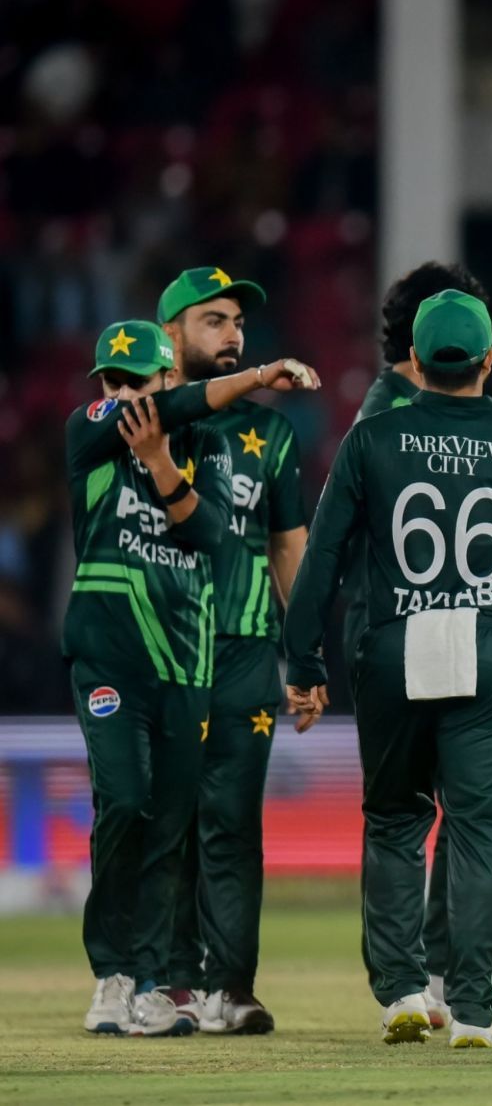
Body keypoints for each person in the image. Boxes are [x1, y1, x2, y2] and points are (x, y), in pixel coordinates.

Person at [281, 290, 492, 1048]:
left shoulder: (372, 439)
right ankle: (477, 1011)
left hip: (395, 642)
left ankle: (402, 995)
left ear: (414, 361)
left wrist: (303, 658)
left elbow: (321, 559)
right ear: (490, 361)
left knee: (394, 821)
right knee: (482, 832)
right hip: (491, 645)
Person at [66, 318, 319, 1036]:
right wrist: (257, 375)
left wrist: (160, 466)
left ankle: (148, 983)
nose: (118, 396)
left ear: (167, 377)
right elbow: (157, 418)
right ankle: (110, 971)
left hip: (184, 663)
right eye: (109, 383)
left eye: (134, 383)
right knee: (124, 801)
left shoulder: (206, 448)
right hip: (109, 655)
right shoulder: (87, 435)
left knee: (170, 823)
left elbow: (209, 533)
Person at [153, 268, 308, 1036]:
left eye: (239, 322)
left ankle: (232, 985)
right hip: (156, 651)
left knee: (231, 823)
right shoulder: (138, 420)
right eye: (213, 320)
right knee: (163, 819)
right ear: (172, 331)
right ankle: (171, 980)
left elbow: (288, 548)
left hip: (245, 651)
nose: (234, 334)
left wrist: (305, 655)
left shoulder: (271, 434)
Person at [351, 261, 489, 1030]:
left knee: (411, 811)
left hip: (399, 629)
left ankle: (414, 978)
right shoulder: (407, 415)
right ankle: (420, 975)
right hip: (423, 628)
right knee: (427, 810)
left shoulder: (386, 412)